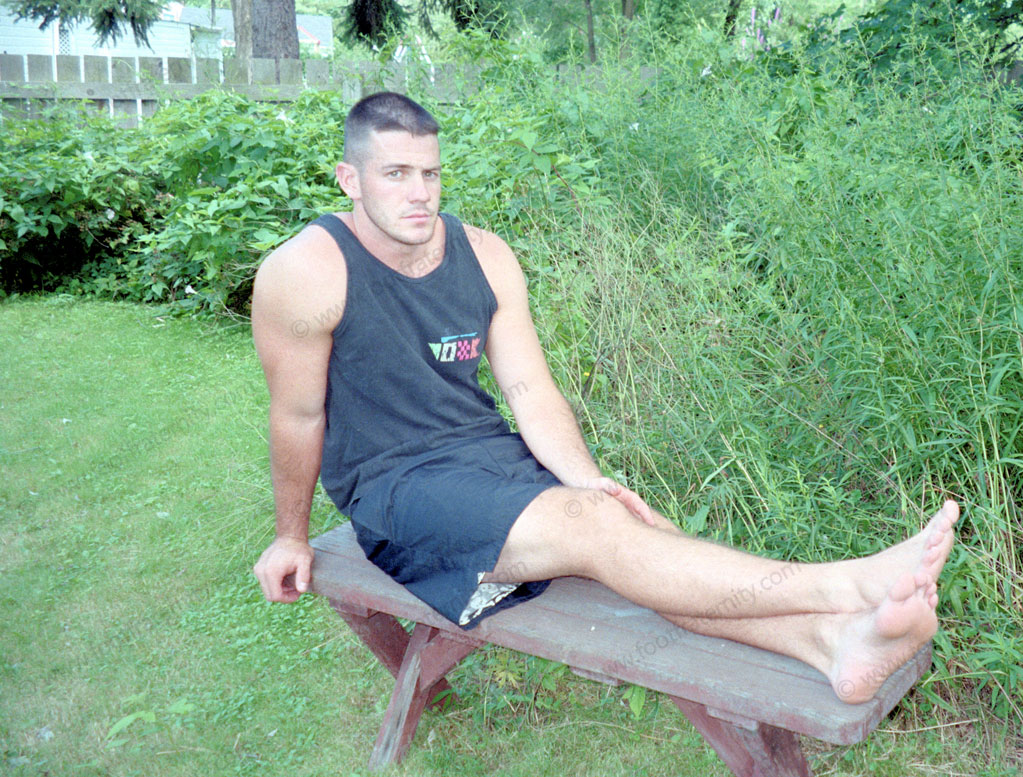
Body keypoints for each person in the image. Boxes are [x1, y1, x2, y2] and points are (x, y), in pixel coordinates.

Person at [251, 91, 960, 705]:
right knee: (597, 532)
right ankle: (843, 588)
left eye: (430, 173)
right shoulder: (307, 272)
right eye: (395, 174)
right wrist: (290, 535)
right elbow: (299, 415)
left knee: (628, 531)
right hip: (396, 487)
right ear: (350, 179)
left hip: (484, 455)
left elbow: (530, 390)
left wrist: (588, 479)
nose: (419, 194)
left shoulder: (485, 255)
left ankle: (830, 645)